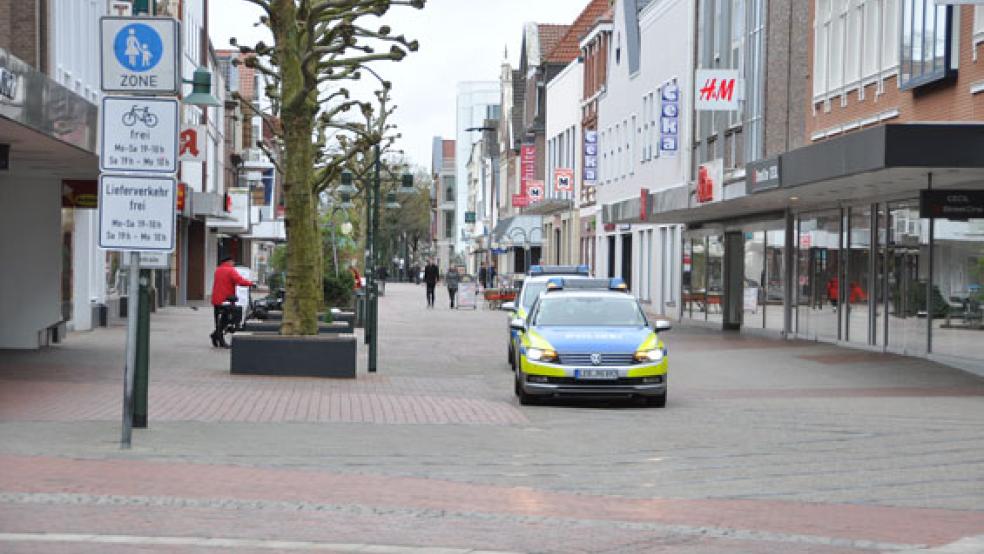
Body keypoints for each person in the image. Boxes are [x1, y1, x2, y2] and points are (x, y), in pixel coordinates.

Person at [210, 256, 253, 347]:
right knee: (227, 319)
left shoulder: (218, 269)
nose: (233, 263)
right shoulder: (230, 270)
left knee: (218, 320)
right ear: (229, 261)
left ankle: (216, 335)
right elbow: (239, 281)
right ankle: (217, 337)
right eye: (233, 262)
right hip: (226, 299)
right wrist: (251, 284)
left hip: (216, 299)